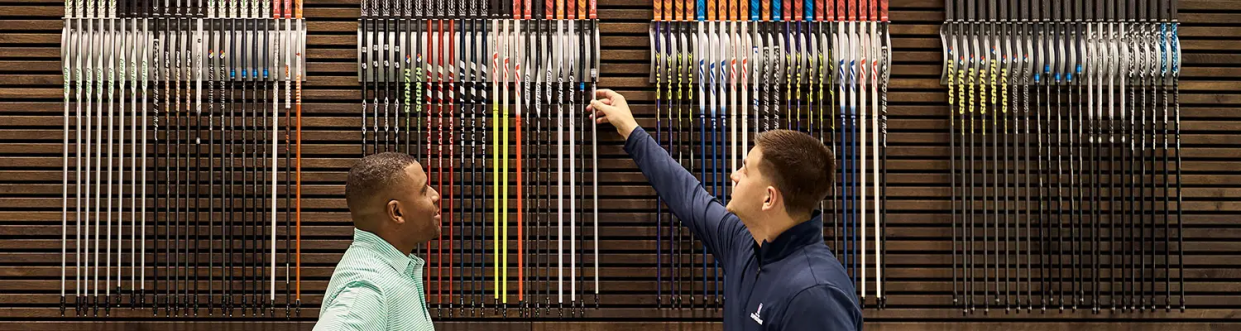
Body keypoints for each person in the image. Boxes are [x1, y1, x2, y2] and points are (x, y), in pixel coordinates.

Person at [589, 89, 862, 330]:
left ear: (769, 199)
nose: (735, 175)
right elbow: (688, 196)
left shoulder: (816, 298)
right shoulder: (746, 241)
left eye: (745, 169)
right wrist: (631, 131)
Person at [314, 152, 440, 331]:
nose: (435, 195)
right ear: (396, 212)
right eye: (424, 190)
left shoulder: (394, 271)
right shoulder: (369, 286)